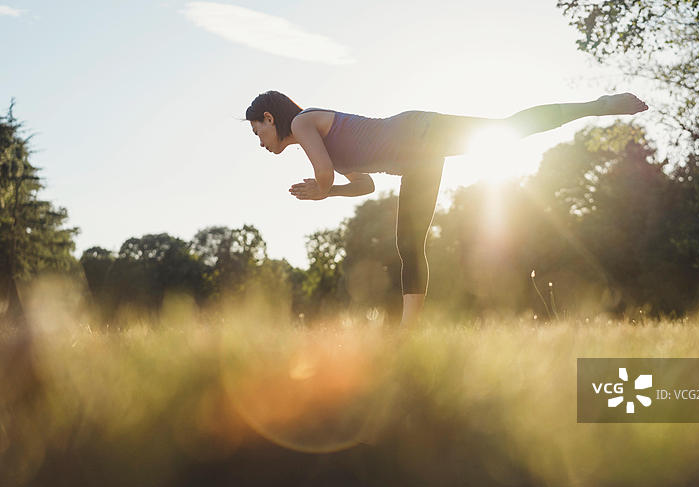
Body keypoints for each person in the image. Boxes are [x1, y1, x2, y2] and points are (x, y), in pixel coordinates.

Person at [246, 91, 648, 325]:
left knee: (507, 128)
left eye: (258, 131)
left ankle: (597, 105)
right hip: (418, 161)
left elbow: (325, 173)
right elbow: (363, 184)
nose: (260, 141)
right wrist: (327, 192)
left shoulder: (301, 123)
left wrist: (322, 189)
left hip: (419, 131)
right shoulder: (311, 139)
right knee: (409, 245)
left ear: (269, 118)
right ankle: (409, 334)